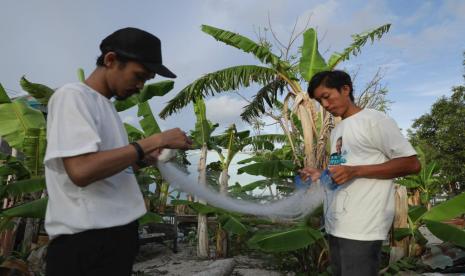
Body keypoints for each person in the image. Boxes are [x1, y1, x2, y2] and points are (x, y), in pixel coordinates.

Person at [44, 27, 192, 276]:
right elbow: (81, 171)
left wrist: (145, 159)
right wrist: (154, 139)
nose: (140, 85)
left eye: (146, 80)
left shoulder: (107, 108)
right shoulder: (73, 97)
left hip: (115, 240)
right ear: (111, 60)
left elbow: (110, 170)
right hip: (86, 246)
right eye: (139, 75)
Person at [301, 70, 421, 276]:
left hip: (362, 228)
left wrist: (356, 171)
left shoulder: (374, 120)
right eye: (320, 102)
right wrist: (320, 174)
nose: (326, 106)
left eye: (326, 97)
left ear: (345, 89)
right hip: (337, 226)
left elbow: (412, 164)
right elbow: (344, 170)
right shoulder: (338, 130)